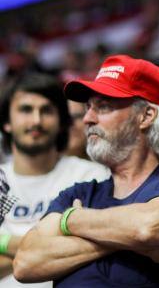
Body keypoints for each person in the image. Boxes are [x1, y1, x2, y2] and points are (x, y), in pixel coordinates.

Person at [13, 55, 159, 287]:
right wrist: (125, 240)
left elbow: (148, 227)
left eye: (103, 106)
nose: (88, 119)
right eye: (88, 107)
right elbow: (25, 263)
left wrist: (70, 220)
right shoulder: (78, 194)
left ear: (145, 116)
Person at [0, 74, 109, 288]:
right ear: (6, 123)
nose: (36, 120)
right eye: (25, 110)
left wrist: (4, 244)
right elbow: (83, 249)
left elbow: (101, 247)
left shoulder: (92, 176)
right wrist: (59, 247)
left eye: (47, 110)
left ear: (62, 123)